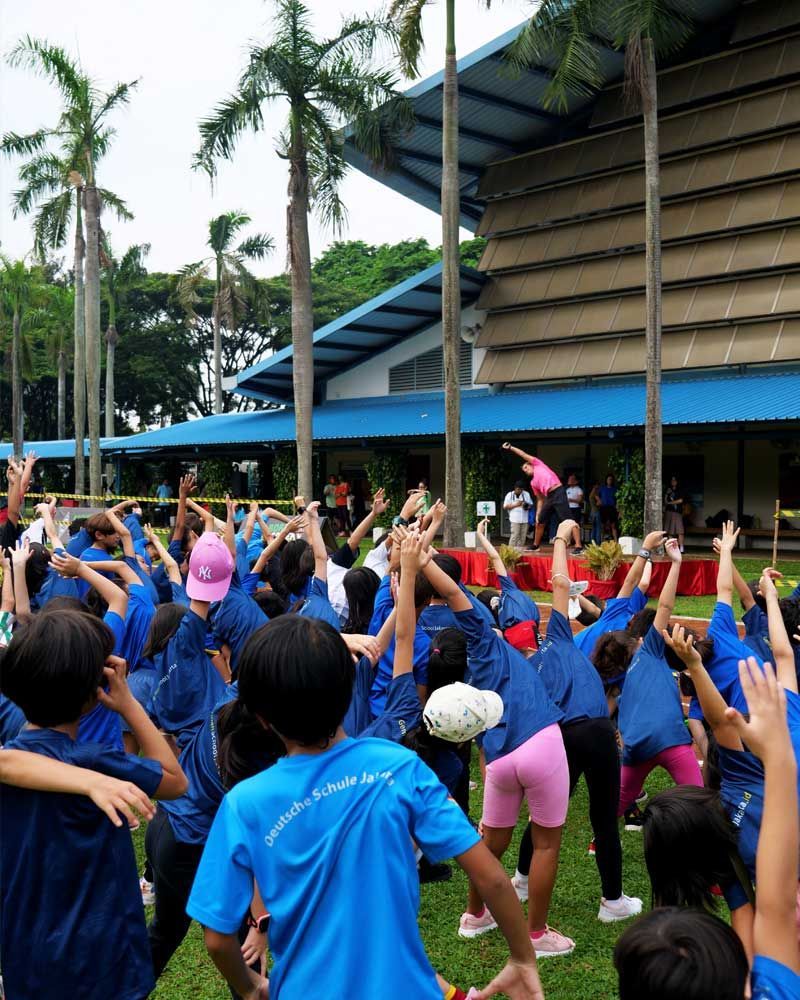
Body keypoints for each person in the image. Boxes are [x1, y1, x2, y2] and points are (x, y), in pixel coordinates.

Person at [185, 612, 545, 1000]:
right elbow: (490, 876)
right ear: (348, 692)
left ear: (261, 717)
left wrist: (252, 986)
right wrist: (522, 958)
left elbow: (219, 940)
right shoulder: (400, 767)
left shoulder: (243, 804)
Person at [0, 610, 187, 1000]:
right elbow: (176, 782)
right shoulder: (94, 761)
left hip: (27, 961)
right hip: (105, 961)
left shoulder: (13, 761)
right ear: (93, 692)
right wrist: (129, 705)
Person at [613, 656, 800, 1000]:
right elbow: (760, 913)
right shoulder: (729, 862)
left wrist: (696, 668)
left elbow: (721, 723)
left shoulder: (734, 787)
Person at [419, 547, 572, 956]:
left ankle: (474, 915)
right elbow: (456, 596)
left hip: (499, 758)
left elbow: (455, 596)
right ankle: (537, 934)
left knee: (490, 842)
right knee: (545, 844)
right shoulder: (488, 644)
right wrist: (425, 561)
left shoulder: (463, 674)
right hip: (541, 742)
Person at [515, 519, 642, 924]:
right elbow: (559, 581)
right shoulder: (559, 636)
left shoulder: (527, 670)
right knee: (603, 819)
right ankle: (612, 902)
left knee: (545, 814)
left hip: (559, 737)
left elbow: (558, 583)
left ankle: (519, 880)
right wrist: (558, 535)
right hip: (595, 732)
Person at [501, 442, 582, 554]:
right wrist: (538, 514)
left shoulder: (538, 464)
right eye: (523, 470)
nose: (525, 470)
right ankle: (535, 545)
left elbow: (523, 454)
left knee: (569, 521)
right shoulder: (533, 483)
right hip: (549, 497)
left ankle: (578, 546)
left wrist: (511, 448)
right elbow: (540, 499)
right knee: (540, 522)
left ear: (530, 464)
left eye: (526, 467)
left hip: (558, 492)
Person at [503, 480, 534, 550]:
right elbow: (505, 506)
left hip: (525, 519)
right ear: (515, 488)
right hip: (514, 519)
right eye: (518, 489)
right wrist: (516, 504)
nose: (520, 491)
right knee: (515, 535)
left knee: (523, 537)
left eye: (521, 489)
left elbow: (531, 505)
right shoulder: (509, 495)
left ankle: (519, 552)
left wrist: (526, 505)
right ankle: (510, 551)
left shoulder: (526, 494)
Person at [663, 475, 685, 552]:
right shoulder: (668, 490)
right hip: (669, 512)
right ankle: (671, 548)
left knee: (680, 531)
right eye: (672, 480)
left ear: (677, 481)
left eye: (674, 480)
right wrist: (666, 494)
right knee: (669, 531)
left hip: (677, 512)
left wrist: (670, 503)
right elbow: (665, 502)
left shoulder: (680, 490)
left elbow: (680, 500)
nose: (673, 482)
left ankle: (681, 548)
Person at [598, 474, 619, 542]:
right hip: (603, 508)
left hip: (612, 508)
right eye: (608, 479)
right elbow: (595, 494)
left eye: (611, 479)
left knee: (613, 525)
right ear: (606, 480)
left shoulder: (615, 489)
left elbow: (618, 499)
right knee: (603, 525)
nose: (609, 481)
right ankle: (602, 541)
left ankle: (616, 541)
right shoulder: (602, 488)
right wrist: (599, 500)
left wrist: (618, 507)